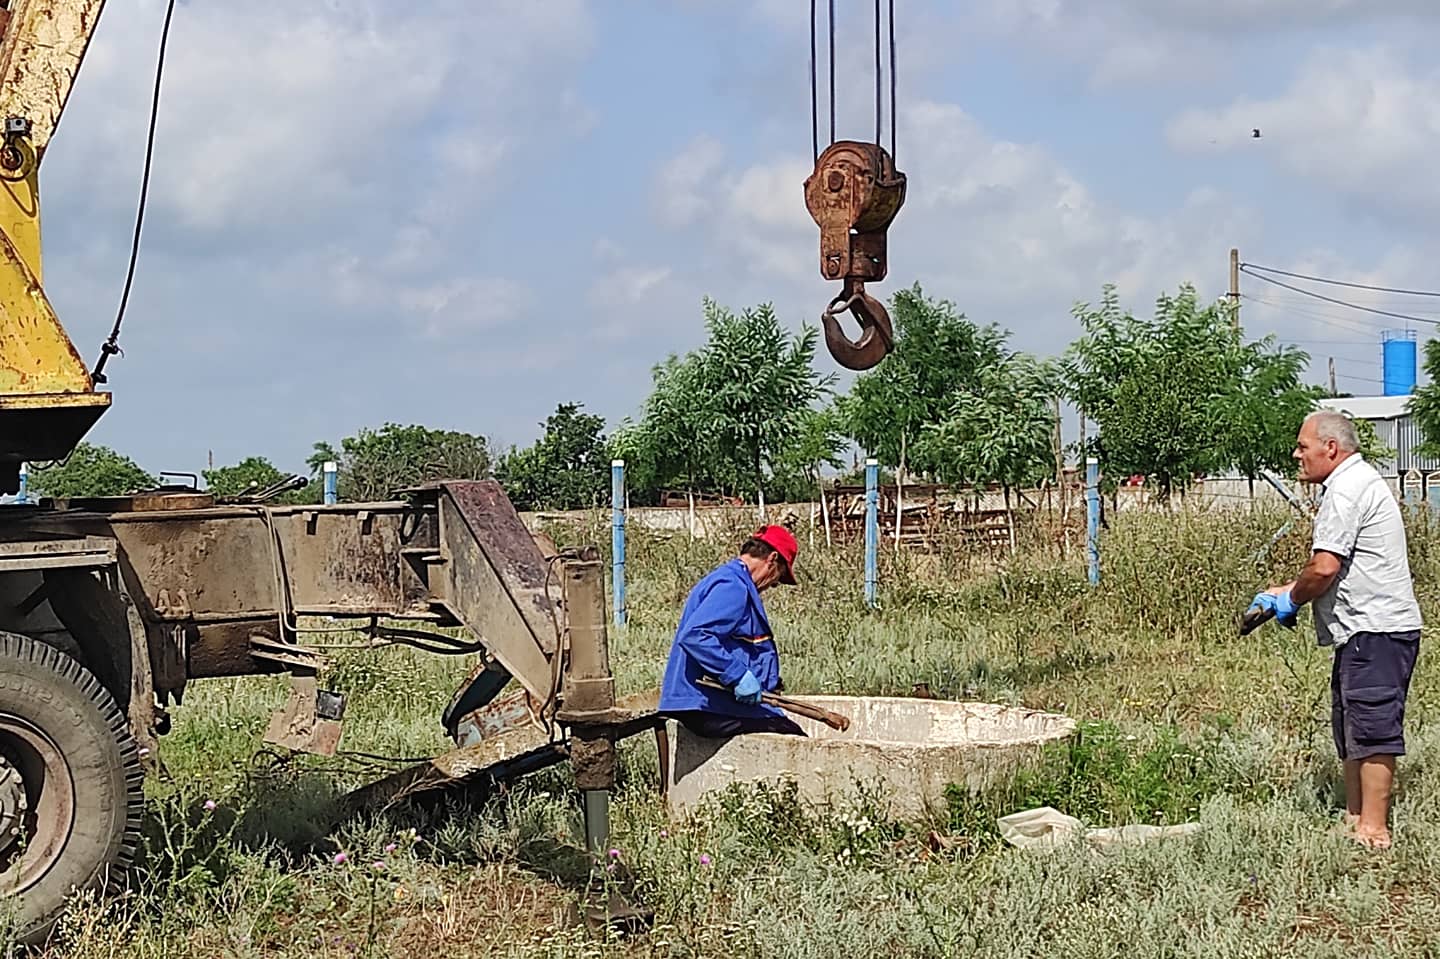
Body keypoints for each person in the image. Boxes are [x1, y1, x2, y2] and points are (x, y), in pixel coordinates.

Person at [1248, 410, 1422, 849]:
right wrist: (1286, 591)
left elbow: (1325, 567)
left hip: (1376, 629)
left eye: (1303, 446)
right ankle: (1354, 817)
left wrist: (1292, 599)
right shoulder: (1352, 483)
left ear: (1330, 448)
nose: (1296, 455)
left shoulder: (1346, 490)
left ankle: (1374, 830)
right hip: (1361, 630)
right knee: (1352, 724)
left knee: (1373, 725)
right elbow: (1337, 569)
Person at [658, 525, 806, 738]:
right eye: (779, 575)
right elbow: (696, 636)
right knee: (792, 736)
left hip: (706, 702)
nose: (774, 585)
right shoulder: (733, 586)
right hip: (705, 705)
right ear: (772, 559)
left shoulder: (731, 579)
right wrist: (738, 676)